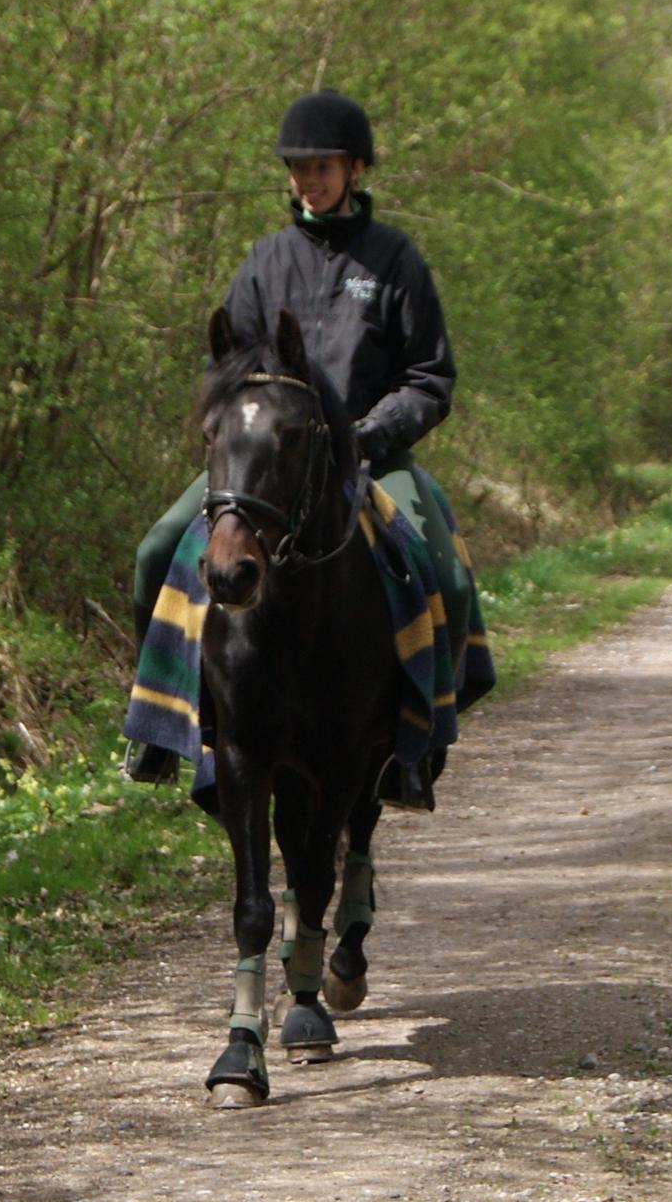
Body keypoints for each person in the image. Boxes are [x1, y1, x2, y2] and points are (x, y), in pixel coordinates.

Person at [125, 89, 472, 789]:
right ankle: (167, 727)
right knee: (155, 550)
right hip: (266, 465)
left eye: (321, 167)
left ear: (355, 169)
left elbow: (430, 376)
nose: (308, 180)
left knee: (450, 576)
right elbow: (228, 370)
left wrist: (370, 434)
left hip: (371, 457)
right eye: (297, 168)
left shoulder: (394, 261)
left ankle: (416, 744)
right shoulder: (264, 261)